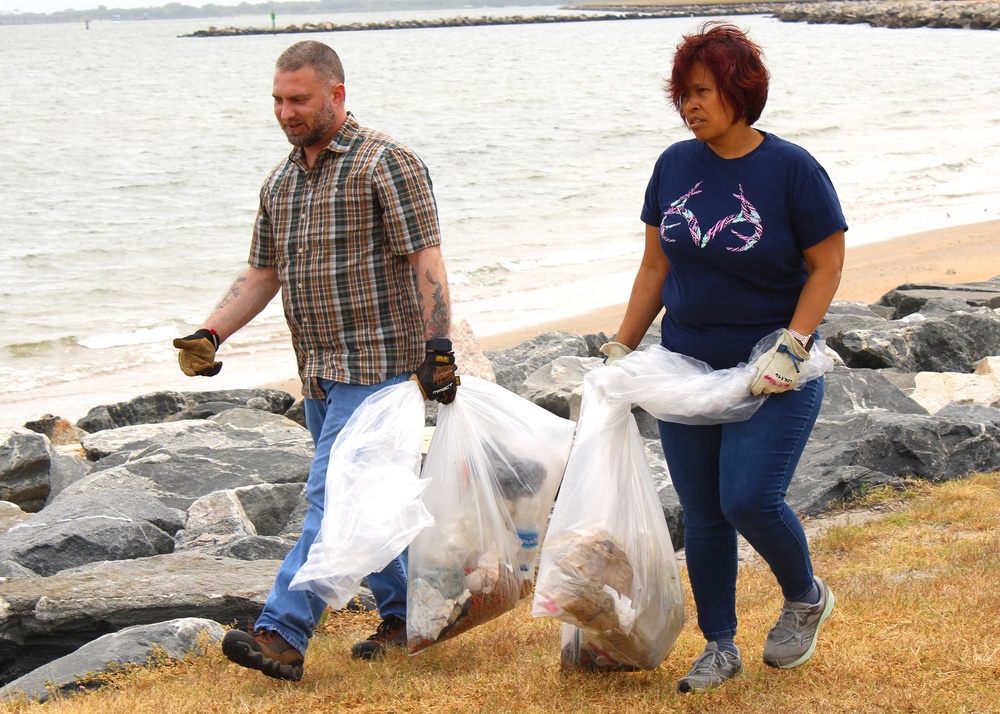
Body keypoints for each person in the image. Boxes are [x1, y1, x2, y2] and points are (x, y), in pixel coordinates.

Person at [171, 40, 459, 682]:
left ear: (337, 94)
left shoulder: (389, 163)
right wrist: (210, 333)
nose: (286, 111)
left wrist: (440, 350)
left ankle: (282, 633)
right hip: (319, 373)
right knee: (369, 500)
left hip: (382, 369)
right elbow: (263, 272)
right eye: (277, 99)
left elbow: (427, 261)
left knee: (334, 496)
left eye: (298, 99)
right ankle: (410, 613)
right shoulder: (280, 181)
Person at [601, 23, 846, 693]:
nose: (690, 106)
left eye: (702, 92)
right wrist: (622, 346)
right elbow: (654, 264)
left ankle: (805, 596)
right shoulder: (673, 165)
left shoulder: (792, 169)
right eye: (683, 94)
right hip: (686, 370)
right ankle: (719, 645)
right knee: (702, 513)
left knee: (748, 499)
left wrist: (793, 347)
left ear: (741, 91)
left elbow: (826, 265)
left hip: (774, 368)